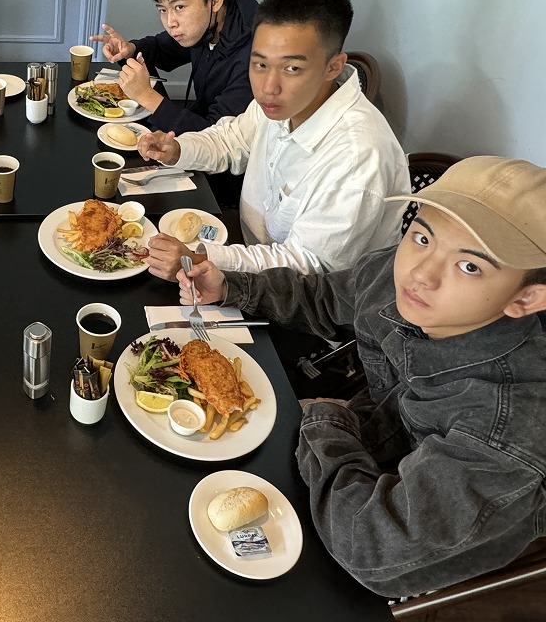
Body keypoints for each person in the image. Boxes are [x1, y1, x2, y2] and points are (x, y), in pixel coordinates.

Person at [177, 156, 546, 598]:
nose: (420, 274)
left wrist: (326, 421)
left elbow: (369, 547)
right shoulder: (401, 276)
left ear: (527, 298)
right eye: (423, 237)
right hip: (351, 451)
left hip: (396, 555)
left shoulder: (510, 427)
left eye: (469, 266)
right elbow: (325, 296)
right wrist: (233, 287)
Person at [138, 0, 409, 280]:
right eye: (260, 64)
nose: (268, 87)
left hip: (304, 295)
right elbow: (231, 140)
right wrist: (178, 148)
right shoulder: (284, 103)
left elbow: (308, 268)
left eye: (292, 68)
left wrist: (202, 259)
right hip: (251, 250)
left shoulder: (358, 156)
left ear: (333, 67)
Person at [91, 0, 256, 136]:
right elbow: (162, 48)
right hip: (200, 119)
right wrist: (130, 49)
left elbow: (217, 139)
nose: (170, 22)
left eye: (179, 7)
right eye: (162, 10)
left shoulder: (256, 56)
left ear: (215, 1)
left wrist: (146, 95)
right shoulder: (209, 24)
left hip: (223, 143)